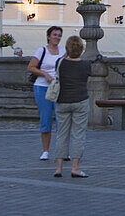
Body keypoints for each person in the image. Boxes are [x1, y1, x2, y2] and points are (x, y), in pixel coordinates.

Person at [52, 35, 92, 179]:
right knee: (78, 135)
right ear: (81, 48)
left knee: (62, 134)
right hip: (80, 100)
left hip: (62, 101)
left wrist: (67, 53)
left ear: (67, 49)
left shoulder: (60, 62)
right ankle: (75, 168)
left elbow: (62, 61)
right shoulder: (86, 65)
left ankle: (58, 168)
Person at [27, 26, 64, 161]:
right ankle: (45, 150)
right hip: (42, 87)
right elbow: (31, 67)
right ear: (48, 36)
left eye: (59, 35)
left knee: (62, 120)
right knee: (45, 118)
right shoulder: (41, 51)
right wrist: (44, 74)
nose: (57, 38)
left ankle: (62, 150)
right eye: (54, 35)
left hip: (59, 87)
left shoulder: (63, 52)